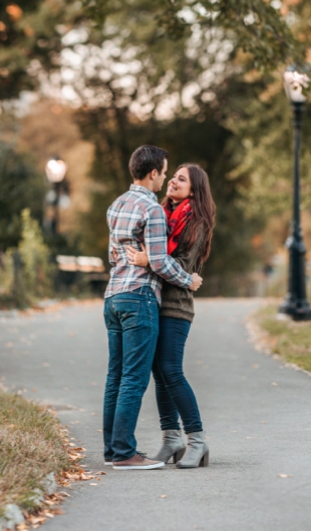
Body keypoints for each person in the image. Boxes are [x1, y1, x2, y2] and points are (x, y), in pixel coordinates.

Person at [102, 145, 204, 471]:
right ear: (153, 173)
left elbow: (114, 257)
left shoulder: (116, 205)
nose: (166, 179)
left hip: (113, 296)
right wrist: (187, 280)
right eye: (165, 172)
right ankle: (123, 453)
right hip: (140, 297)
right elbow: (159, 261)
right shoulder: (154, 210)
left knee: (115, 377)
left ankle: (112, 449)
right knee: (134, 378)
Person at [125, 163, 215, 469]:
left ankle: (198, 441)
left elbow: (183, 263)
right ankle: (171, 438)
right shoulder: (161, 214)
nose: (173, 181)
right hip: (154, 301)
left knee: (171, 370)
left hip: (177, 306)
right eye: (173, 176)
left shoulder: (196, 220)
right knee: (159, 373)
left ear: (195, 189)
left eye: (182, 179)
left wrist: (148, 259)